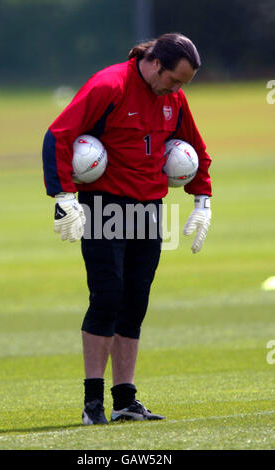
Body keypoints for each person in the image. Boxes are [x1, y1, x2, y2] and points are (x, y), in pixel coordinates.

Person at [42, 32, 212, 425]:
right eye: (173, 80)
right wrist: (63, 197)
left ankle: (125, 401)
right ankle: (91, 404)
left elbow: (196, 148)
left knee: (135, 301)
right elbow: (58, 135)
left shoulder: (173, 97)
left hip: (150, 208)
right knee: (107, 297)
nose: (176, 90)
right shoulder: (109, 85)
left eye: (183, 84)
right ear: (155, 64)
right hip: (104, 206)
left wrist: (203, 201)